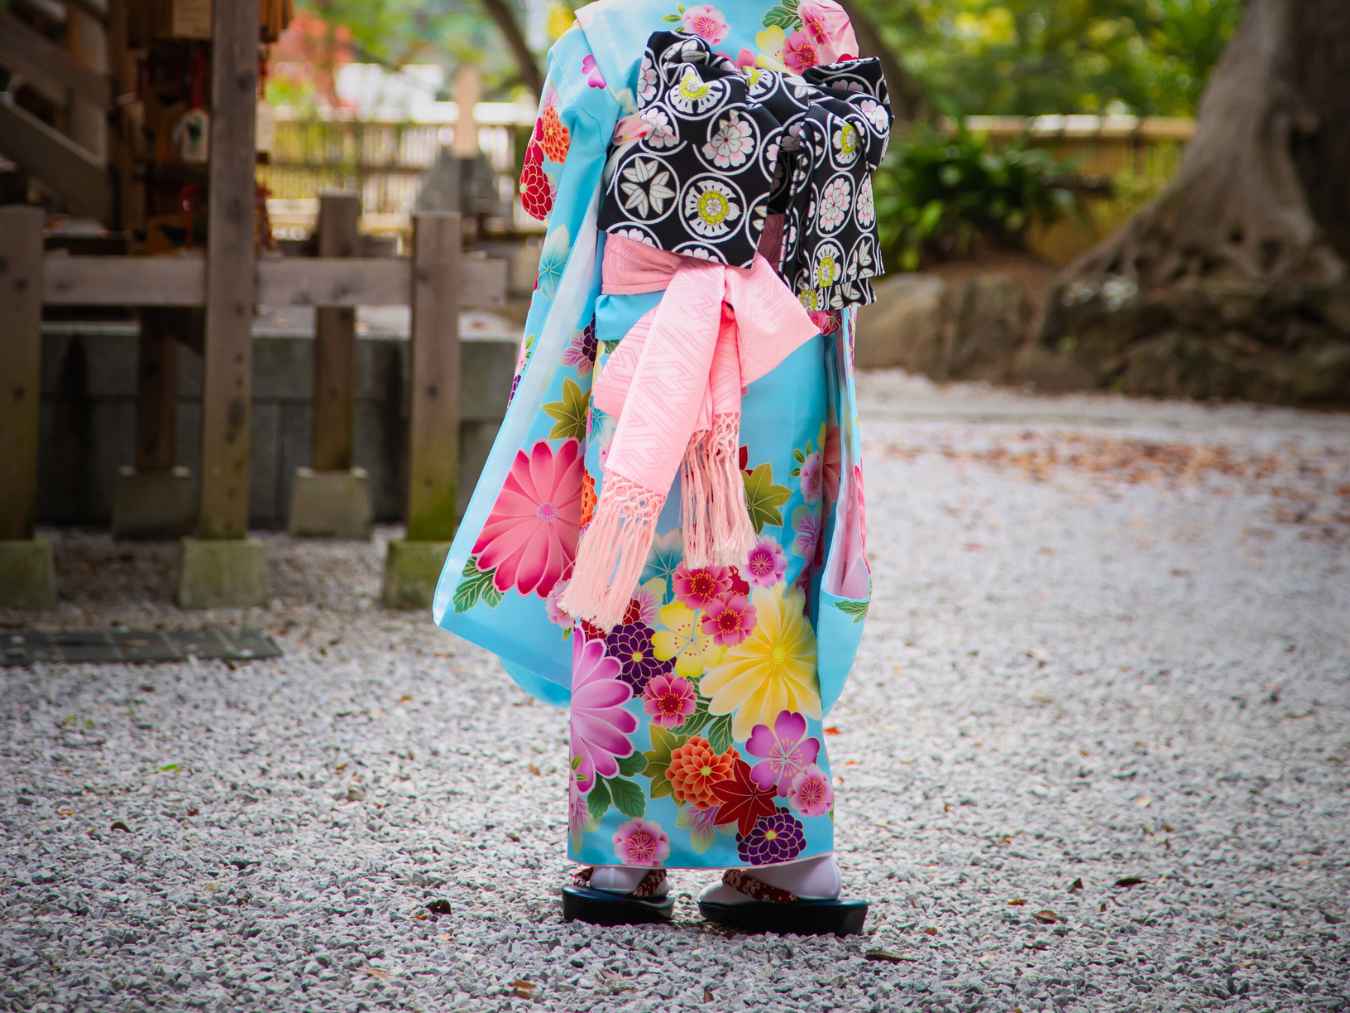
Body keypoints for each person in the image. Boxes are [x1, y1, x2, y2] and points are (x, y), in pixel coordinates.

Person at [432, 0, 889, 935]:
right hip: (781, 342)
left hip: (649, 328)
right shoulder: (810, 16)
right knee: (763, 582)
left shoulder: (606, 30)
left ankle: (622, 860)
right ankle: (791, 862)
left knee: (637, 574)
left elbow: (547, 181)